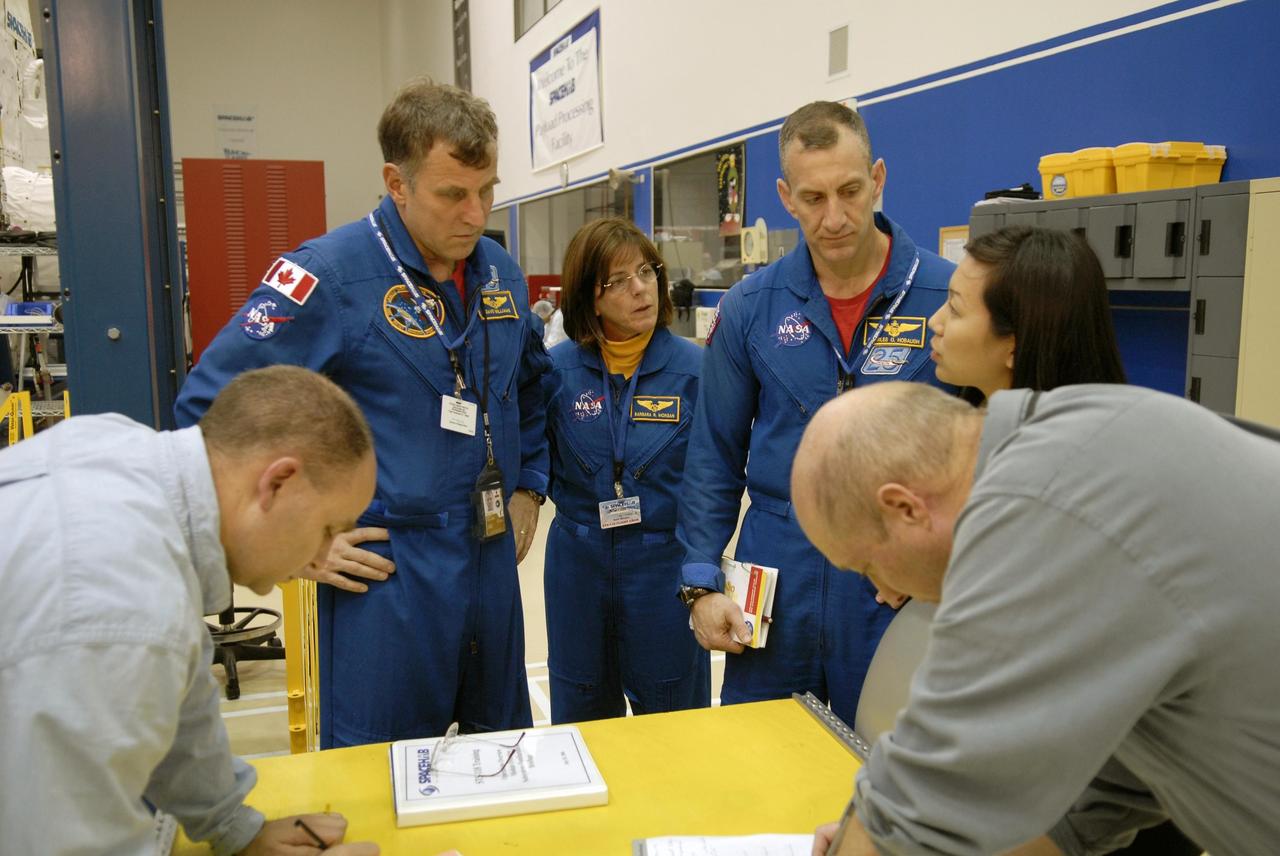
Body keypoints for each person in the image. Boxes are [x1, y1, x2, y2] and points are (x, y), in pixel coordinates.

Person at [175, 78, 550, 748]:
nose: (475, 213)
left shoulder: (498, 273)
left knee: (504, 759)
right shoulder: (329, 276)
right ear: (396, 182)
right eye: (452, 194)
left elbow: (531, 387)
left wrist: (528, 488)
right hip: (388, 571)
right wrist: (302, 546)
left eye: (487, 190)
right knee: (382, 773)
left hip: (490, 557)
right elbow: (208, 408)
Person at [792, 382, 1280, 856]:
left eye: (868, 566)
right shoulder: (1071, 435)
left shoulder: (1036, 503)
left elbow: (926, 789)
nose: (882, 591)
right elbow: (1105, 792)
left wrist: (881, 837)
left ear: (905, 508)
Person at [903, 225, 1202, 856]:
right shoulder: (980, 437)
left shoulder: (1076, 480)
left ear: (1014, 342)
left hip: (1111, 802)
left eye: (955, 308)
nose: (932, 321)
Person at [0, 366, 379, 855]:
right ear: (278, 483)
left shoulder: (123, 455)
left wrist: (231, 826)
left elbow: (183, 693)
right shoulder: (119, 609)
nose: (325, 554)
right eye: (329, 527)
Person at [676, 100, 954, 723]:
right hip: (778, 563)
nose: (835, 217)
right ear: (785, 196)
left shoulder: (948, 297)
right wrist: (700, 580)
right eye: (813, 197)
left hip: (896, 573)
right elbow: (713, 455)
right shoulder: (750, 308)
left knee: (891, 759)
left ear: (878, 178)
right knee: (759, 759)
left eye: (851, 190)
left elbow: (992, 450)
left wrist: (944, 560)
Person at [542, 218, 710, 723]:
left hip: (662, 563)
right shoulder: (555, 372)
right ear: (590, 298)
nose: (642, 289)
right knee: (581, 716)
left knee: (673, 718)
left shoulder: (695, 370)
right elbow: (530, 457)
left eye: (647, 271)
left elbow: (713, 479)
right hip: (578, 562)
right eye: (618, 281)